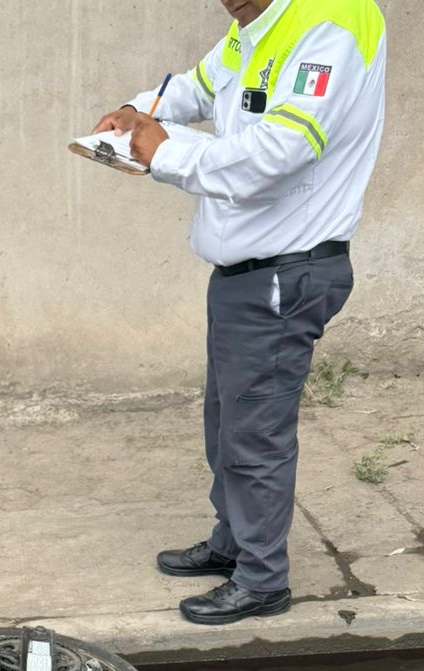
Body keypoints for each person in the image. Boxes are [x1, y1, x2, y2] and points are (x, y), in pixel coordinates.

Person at [95, 0, 386, 625]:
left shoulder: (334, 22)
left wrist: (164, 153)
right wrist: (138, 111)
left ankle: (261, 580)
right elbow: (199, 86)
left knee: (256, 437)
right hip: (246, 277)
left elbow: (278, 151)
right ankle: (233, 543)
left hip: (284, 274)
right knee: (227, 424)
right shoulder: (253, 27)